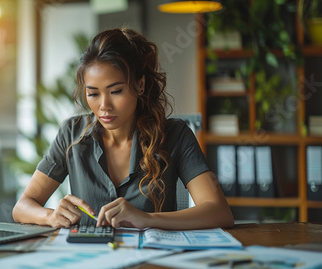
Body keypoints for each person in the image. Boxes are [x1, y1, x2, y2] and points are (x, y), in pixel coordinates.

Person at [13, 28, 234, 230]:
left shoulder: (175, 135)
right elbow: (23, 206)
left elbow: (219, 211)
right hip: (91, 263)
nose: (104, 106)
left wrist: (146, 219)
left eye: (116, 91)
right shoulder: (71, 134)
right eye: (93, 94)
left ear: (140, 85)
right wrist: (50, 216)